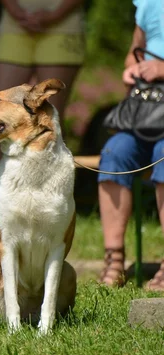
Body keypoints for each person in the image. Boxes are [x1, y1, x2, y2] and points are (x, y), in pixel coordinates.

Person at [0, 0, 85, 197]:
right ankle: (1, 200)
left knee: (50, 120)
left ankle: (48, 198)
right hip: (14, 25)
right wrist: (16, 11)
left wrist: (55, 15)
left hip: (64, 25)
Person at [98, 0, 164, 290]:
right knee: (115, 151)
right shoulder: (148, 3)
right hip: (147, 115)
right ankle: (114, 259)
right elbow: (131, 56)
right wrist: (131, 70)